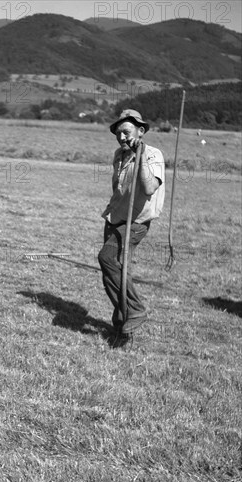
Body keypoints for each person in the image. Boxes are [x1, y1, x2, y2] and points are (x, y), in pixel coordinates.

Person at [98, 109, 165, 347]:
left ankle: (135, 310)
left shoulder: (153, 155)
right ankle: (122, 329)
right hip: (116, 218)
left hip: (135, 223)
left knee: (107, 258)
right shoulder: (119, 154)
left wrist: (141, 155)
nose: (122, 138)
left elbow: (148, 188)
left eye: (126, 132)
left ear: (141, 131)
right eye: (118, 134)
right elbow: (118, 188)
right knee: (112, 274)